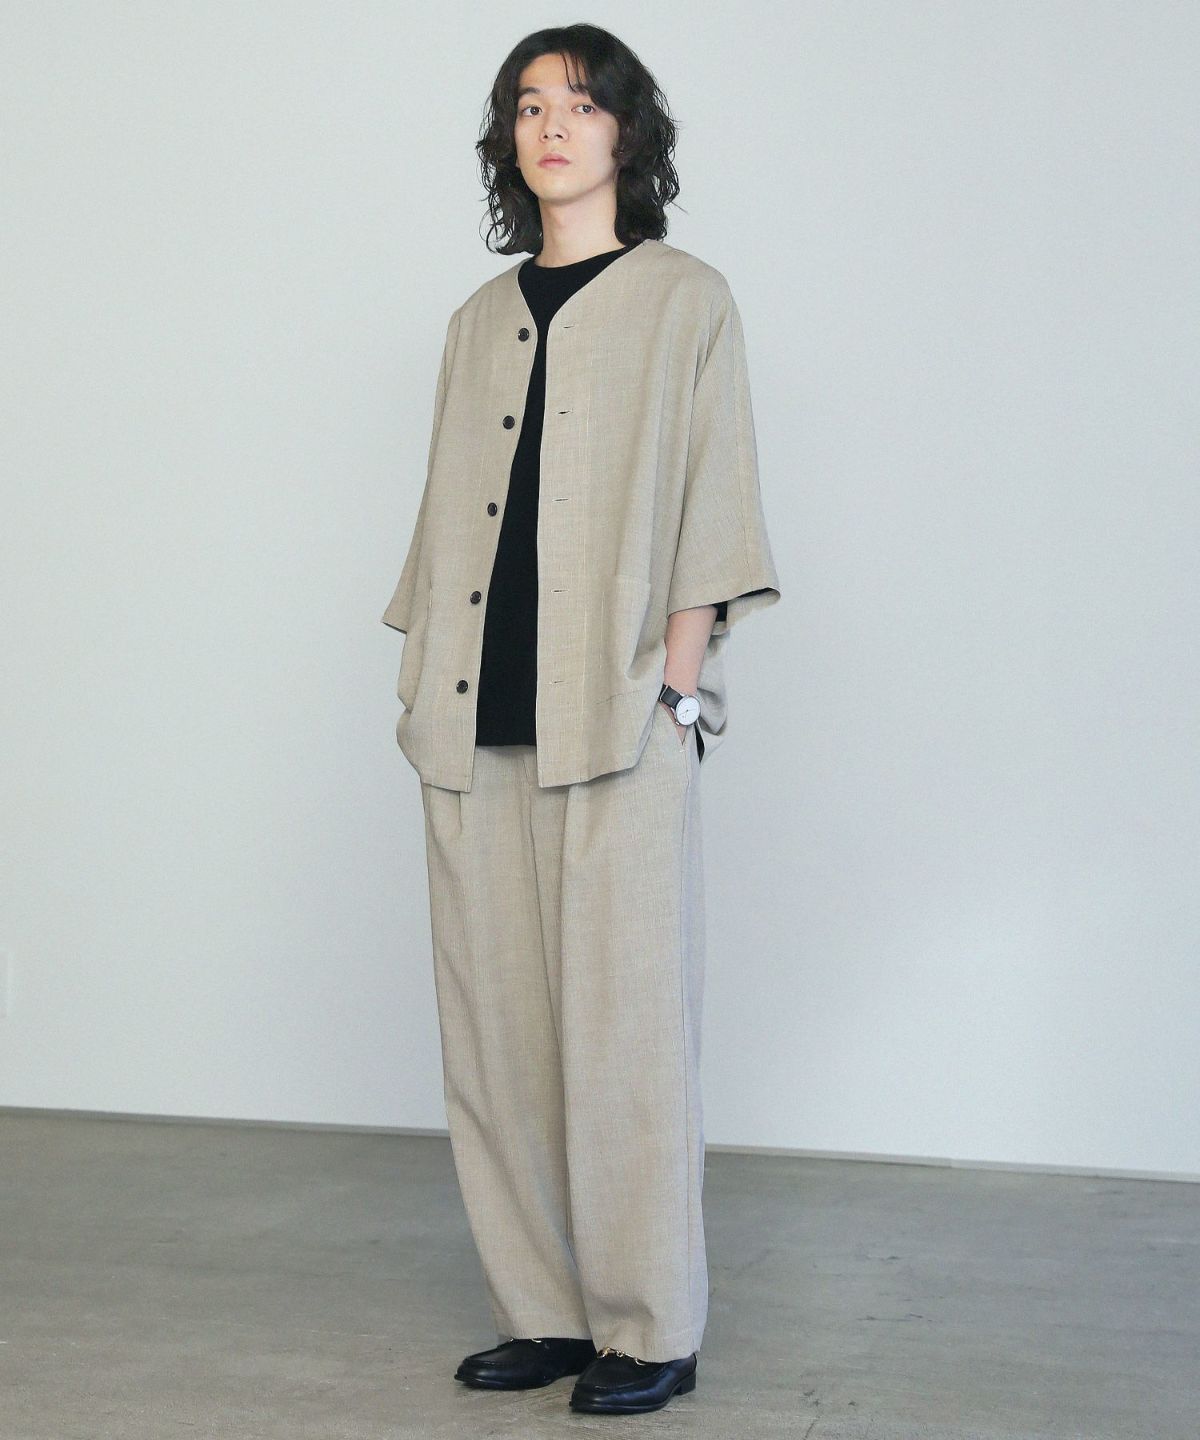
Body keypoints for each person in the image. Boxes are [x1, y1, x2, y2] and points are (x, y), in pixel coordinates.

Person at [381, 24, 780, 1416]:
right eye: (529, 106)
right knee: (496, 1039)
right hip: (471, 717)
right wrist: (417, 684)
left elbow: (716, 507)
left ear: (626, 132)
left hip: (616, 719)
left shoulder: (686, 301)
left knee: (625, 1036)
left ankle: (649, 1324)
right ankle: (544, 1314)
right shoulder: (475, 321)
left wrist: (677, 691)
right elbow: (445, 518)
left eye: (581, 103)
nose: (553, 125)